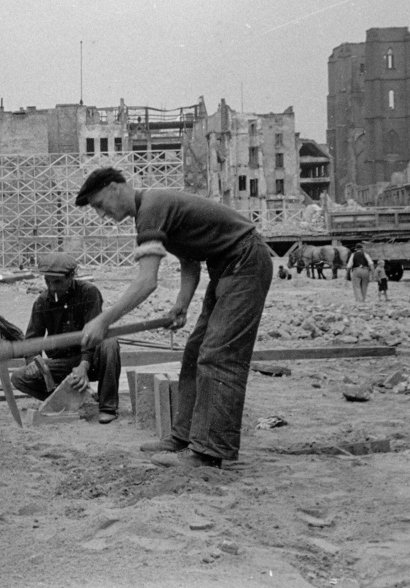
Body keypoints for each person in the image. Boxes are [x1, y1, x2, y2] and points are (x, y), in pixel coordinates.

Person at [75, 168, 273, 469]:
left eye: (100, 205)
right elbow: (190, 260)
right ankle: (183, 437)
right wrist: (181, 304)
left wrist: (104, 319)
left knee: (218, 355)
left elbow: (146, 282)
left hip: (245, 261)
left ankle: (208, 451)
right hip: (227, 265)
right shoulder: (154, 208)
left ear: (115, 188)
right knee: (195, 352)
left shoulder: (150, 208)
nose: (103, 214)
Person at [12, 253, 124, 424]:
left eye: (57, 282)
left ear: (72, 276)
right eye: (48, 281)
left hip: (90, 359)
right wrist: (33, 362)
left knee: (110, 342)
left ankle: (107, 406)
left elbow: (93, 335)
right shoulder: (42, 302)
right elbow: (32, 340)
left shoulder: (89, 293)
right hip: (62, 364)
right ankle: (65, 398)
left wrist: (84, 365)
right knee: (19, 377)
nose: (52, 287)